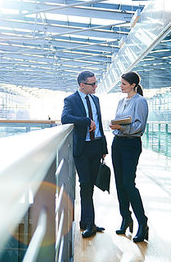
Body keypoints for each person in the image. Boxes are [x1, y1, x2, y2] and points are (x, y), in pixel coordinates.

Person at [61, 71, 108, 238]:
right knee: (85, 185)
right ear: (82, 85)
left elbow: (100, 124)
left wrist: (104, 148)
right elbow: (65, 118)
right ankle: (90, 223)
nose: (96, 86)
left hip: (96, 147)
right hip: (82, 149)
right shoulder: (71, 99)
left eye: (95, 83)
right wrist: (86, 121)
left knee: (90, 186)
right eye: (92, 84)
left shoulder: (96, 99)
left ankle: (86, 221)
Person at [109, 71, 149, 242]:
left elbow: (139, 126)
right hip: (117, 144)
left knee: (128, 183)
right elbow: (118, 121)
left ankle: (142, 222)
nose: (121, 86)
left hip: (131, 145)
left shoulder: (140, 101)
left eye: (124, 83)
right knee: (119, 183)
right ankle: (126, 218)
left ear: (133, 85)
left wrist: (121, 127)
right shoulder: (121, 101)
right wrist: (115, 126)